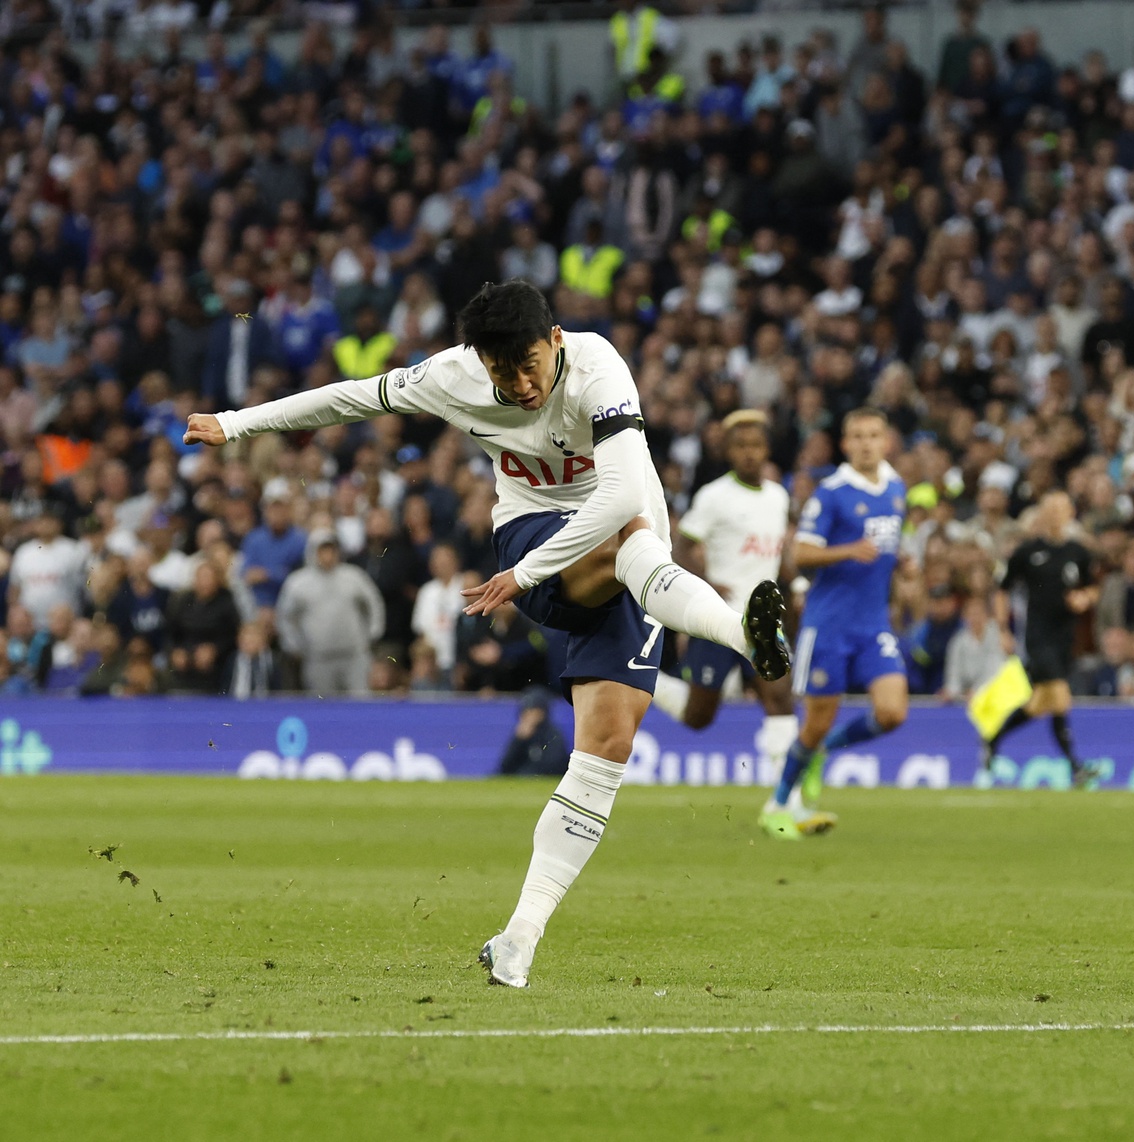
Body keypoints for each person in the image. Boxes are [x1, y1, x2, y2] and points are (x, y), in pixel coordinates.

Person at [184, 280, 791, 990]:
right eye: (505, 373)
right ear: (481, 361)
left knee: (606, 747)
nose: (523, 384)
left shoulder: (599, 368)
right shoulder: (453, 376)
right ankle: (746, 640)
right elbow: (351, 396)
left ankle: (519, 939)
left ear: (555, 340)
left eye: (532, 364)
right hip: (539, 535)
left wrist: (528, 574)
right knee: (629, 543)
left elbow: (624, 491)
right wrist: (238, 422)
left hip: (620, 555)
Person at [761, 408, 908, 840]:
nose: (866, 443)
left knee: (893, 711)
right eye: (858, 436)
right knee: (816, 721)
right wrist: (847, 551)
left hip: (874, 623)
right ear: (846, 444)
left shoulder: (897, 488)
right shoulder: (832, 493)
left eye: (874, 435)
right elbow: (801, 554)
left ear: (886, 441)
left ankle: (824, 752)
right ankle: (779, 804)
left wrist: (904, 565)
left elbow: (883, 549)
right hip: (829, 626)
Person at [649, 410, 800, 792]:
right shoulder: (714, 497)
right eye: (741, 446)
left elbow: (780, 554)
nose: (750, 453)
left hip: (762, 619)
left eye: (756, 446)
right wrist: (702, 583)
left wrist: (791, 586)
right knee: (700, 716)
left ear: (767, 450)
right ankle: (648, 681)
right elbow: (682, 544)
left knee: (780, 698)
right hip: (717, 618)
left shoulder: (779, 497)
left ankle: (786, 796)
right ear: (729, 451)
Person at [976, 490, 1107, 787]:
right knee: (1060, 696)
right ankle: (1076, 767)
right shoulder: (1027, 552)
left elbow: (1093, 588)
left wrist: (1085, 598)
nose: (1056, 514)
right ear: (1042, 514)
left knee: (1039, 704)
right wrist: (1003, 629)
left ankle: (992, 739)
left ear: (1071, 513)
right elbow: (1002, 590)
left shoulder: (1078, 552)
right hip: (1037, 635)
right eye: (1050, 508)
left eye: (1062, 508)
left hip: (1065, 638)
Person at [274, 532, 384, 695]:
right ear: (313, 552)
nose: (327, 555)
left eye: (331, 550)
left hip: (354, 656)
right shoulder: (298, 583)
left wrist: (373, 633)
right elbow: (284, 617)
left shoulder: (353, 576)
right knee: (323, 710)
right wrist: (293, 645)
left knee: (360, 705)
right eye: (322, 550)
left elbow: (374, 603)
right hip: (317, 658)